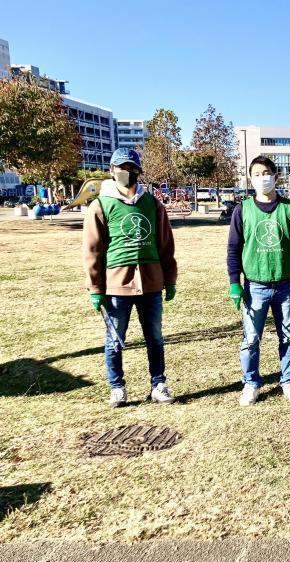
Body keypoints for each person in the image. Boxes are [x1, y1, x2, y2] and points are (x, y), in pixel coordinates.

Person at [82, 148, 177, 408]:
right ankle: (117, 388)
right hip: (116, 286)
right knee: (115, 340)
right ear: (111, 170)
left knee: (155, 338)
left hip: (151, 283)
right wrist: (95, 288)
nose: (127, 172)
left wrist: (169, 278)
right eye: (121, 167)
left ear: (138, 171)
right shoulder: (100, 205)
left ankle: (158, 384)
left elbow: (165, 244)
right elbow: (93, 249)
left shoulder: (153, 204)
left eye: (131, 168)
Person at [227, 155, 290, 406]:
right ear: (250, 179)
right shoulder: (242, 210)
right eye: (257, 174)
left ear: (276, 176)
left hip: (286, 285)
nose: (262, 178)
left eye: (266, 173)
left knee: (288, 335)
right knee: (251, 339)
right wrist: (234, 282)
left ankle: (289, 379)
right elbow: (233, 249)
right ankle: (251, 382)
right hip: (255, 286)